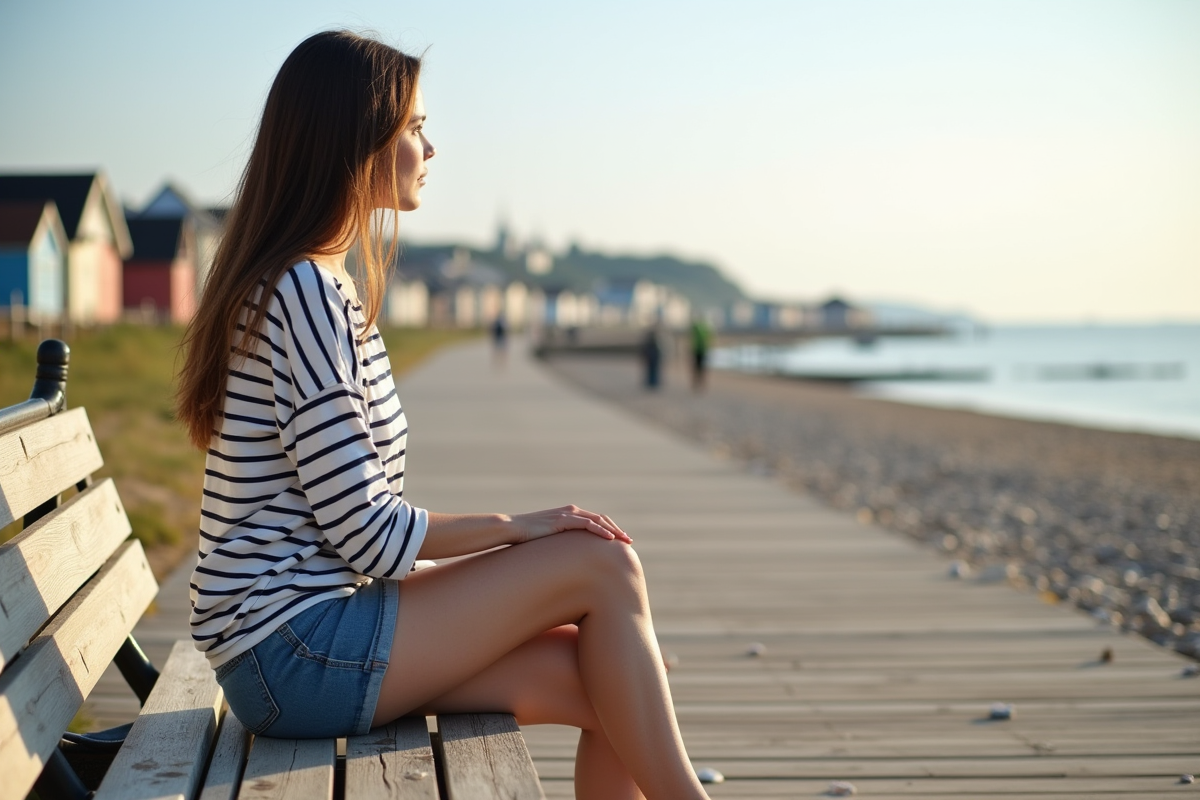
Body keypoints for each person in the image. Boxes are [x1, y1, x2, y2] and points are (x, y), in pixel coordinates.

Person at [175, 31, 711, 800]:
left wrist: (507, 557)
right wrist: (515, 528)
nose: (432, 147)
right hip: (290, 650)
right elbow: (368, 531)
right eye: (415, 127)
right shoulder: (302, 293)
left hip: (304, 631)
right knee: (604, 564)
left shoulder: (316, 284)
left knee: (615, 683)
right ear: (357, 141)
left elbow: (356, 532)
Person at [689, 316, 711, 392]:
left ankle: (697, 384)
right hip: (701, 350)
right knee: (701, 368)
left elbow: (692, 338)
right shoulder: (704, 328)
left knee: (697, 368)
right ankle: (701, 384)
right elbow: (708, 338)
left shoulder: (696, 328)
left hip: (698, 350)